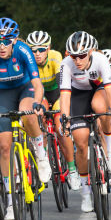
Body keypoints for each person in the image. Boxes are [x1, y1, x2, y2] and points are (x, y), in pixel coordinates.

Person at [0, 17, 51, 220]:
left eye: (6, 41)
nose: (1, 46)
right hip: (2, 94)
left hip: (25, 89)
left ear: (15, 39)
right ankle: (11, 201)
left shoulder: (23, 50)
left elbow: (38, 84)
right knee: (4, 146)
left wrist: (37, 103)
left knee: (27, 115)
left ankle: (41, 154)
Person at [59, 31, 111, 212]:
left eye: (82, 56)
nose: (78, 60)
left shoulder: (101, 60)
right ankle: (86, 192)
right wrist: (65, 119)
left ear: (91, 51)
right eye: (74, 56)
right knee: (80, 139)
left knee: (100, 106)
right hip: (78, 94)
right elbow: (64, 96)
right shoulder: (66, 64)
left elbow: (110, 91)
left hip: (98, 89)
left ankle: (110, 149)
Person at [26, 30, 80, 190]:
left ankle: (71, 170)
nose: (37, 53)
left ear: (48, 48)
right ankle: (42, 154)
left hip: (57, 94)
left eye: (41, 49)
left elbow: (62, 83)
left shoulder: (56, 57)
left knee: (60, 127)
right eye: (33, 50)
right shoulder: (28, 61)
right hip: (40, 94)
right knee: (37, 117)